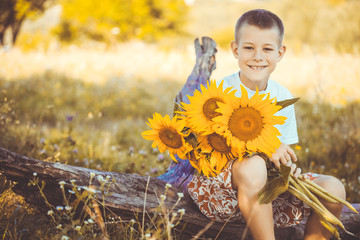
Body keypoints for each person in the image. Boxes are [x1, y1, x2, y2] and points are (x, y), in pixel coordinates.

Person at [187, 9, 346, 240]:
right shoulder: (220, 93)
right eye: (249, 47)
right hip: (221, 190)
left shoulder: (282, 95)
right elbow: (212, 146)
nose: (257, 57)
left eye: (267, 49)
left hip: (269, 192)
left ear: (280, 53)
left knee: (334, 189)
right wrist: (264, 149)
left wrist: (287, 167)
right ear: (235, 49)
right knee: (254, 166)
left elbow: (283, 150)